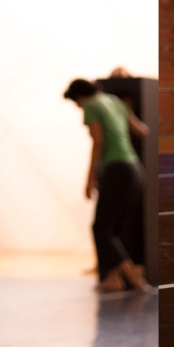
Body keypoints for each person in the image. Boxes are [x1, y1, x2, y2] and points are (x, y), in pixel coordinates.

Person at [63, 79, 151, 293]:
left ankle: (129, 270)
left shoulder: (92, 106)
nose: (79, 107)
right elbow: (142, 130)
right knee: (112, 227)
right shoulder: (115, 101)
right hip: (134, 168)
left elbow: (98, 141)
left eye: (77, 103)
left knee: (100, 228)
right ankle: (114, 278)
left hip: (115, 169)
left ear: (80, 96)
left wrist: (90, 178)